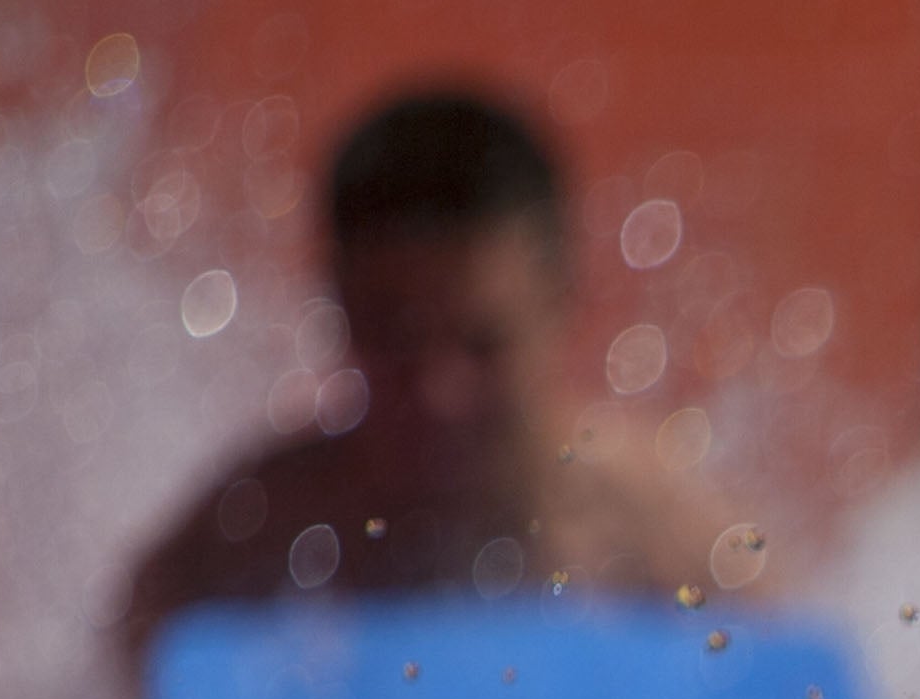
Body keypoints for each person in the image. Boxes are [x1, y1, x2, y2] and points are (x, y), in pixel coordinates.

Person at [118, 87, 736, 652]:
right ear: (336, 308)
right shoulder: (250, 536)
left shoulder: (661, 547)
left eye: (482, 343)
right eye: (395, 340)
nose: (441, 390)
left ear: (563, 303)